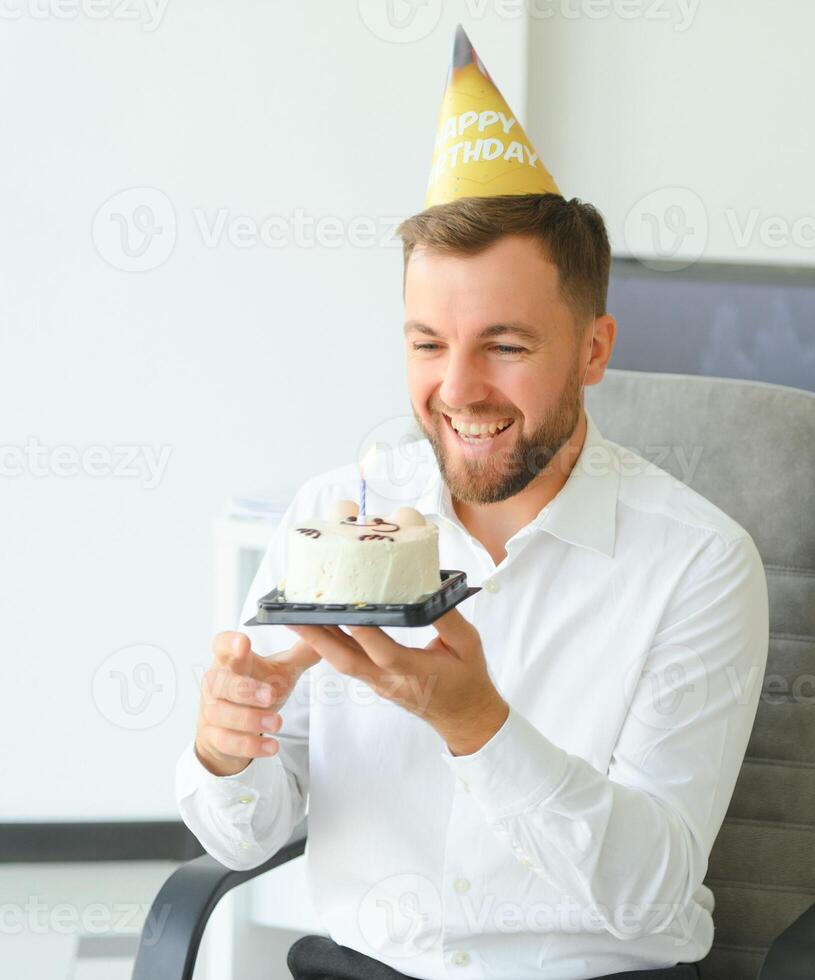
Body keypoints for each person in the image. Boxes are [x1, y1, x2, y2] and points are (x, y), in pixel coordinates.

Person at [176, 27, 768, 980]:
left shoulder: (697, 563)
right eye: (425, 344)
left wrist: (477, 725)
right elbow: (244, 839)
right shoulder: (334, 520)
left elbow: (654, 890)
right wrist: (225, 753)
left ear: (593, 350)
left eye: (505, 345)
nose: (457, 391)